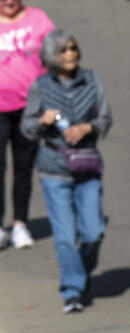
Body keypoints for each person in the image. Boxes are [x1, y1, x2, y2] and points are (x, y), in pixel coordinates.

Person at [20, 29, 112, 314]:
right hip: (54, 169)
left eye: (73, 48)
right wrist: (43, 121)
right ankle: (72, 291)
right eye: (63, 50)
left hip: (87, 167)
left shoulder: (91, 80)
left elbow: (106, 119)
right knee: (64, 236)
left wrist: (87, 127)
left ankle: (79, 272)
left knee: (93, 232)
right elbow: (26, 126)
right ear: (50, 56)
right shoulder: (40, 86)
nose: (70, 54)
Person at [0, 0, 54, 249]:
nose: (9, 2)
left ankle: (20, 223)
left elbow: (54, 56)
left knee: (23, 168)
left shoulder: (38, 19)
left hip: (29, 108)